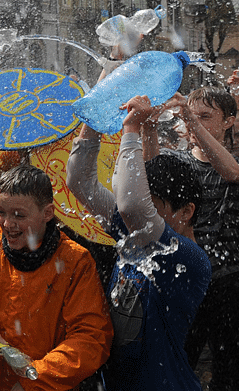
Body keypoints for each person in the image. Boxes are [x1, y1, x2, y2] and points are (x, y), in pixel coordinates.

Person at [67, 95, 210, 390]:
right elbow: (80, 181)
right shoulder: (136, 238)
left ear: (186, 211)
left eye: (154, 208)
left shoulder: (189, 258)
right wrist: (95, 119)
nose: (144, 217)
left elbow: (132, 206)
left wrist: (130, 128)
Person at [0, 164, 112, 391]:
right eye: (1, 212)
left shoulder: (76, 261)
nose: (7, 224)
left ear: (47, 213)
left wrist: (33, 380)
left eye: (19, 215)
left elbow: (92, 338)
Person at [146, 87, 239, 390]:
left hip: (228, 284)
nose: (193, 123)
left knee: (229, 371)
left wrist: (190, 119)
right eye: (190, 116)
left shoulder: (234, 160)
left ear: (229, 121)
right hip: (185, 280)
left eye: (205, 116)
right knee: (179, 362)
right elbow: (151, 173)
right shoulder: (179, 160)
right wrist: (147, 126)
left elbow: (231, 173)